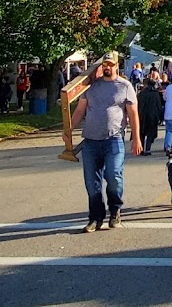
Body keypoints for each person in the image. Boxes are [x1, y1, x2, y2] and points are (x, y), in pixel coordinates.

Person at [71, 52, 142, 232]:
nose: (107, 67)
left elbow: (133, 114)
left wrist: (137, 138)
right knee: (91, 183)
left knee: (114, 177)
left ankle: (115, 210)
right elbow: (80, 110)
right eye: (105, 65)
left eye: (111, 64)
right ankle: (95, 218)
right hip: (90, 141)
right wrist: (68, 129)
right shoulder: (91, 87)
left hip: (114, 140)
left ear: (117, 65)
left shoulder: (125, 86)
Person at [137, 78, 164, 156]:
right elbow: (159, 106)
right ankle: (148, 149)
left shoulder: (141, 93)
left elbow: (138, 105)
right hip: (153, 116)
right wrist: (160, 117)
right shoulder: (156, 94)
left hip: (142, 116)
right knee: (150, 134)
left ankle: (141, 149)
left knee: (142, 133)